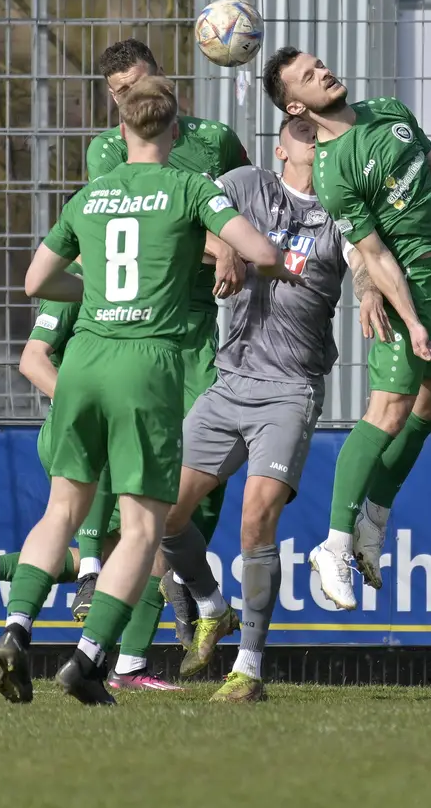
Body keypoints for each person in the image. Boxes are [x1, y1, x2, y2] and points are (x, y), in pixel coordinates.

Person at [0, 76, 296, 705]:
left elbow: (35, 281)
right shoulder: (190, 187)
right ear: (176, 127)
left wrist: (100, 295)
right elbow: (262, 251)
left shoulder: (92, 193)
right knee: (140, 528)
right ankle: (88, 661)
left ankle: (17, 629)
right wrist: (251, 263)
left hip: (84, 361)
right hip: (147, 364)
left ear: (122, 128)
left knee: (61, 510)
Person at [259, 47, 431, 609]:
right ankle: (334, 546)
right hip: (402, 288)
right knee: (387, 409)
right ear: (296, 104)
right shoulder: (333, 169)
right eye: (309, 76)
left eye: (321, 64)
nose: (324, 72)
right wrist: (409, 320)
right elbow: (372, 253)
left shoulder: (389, 110)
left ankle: (373, 520)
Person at [159, 115, 387, 702]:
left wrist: (367, 295)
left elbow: (363, 264)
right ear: (281, 147)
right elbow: (186, 222)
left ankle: (249, 670)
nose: (316, 144)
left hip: (291, 387)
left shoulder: (340, 208)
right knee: (162, 517)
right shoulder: (242, 186)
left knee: (256, 519)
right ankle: (212, 605)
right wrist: (222, 250)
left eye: (323, 138)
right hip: (228, 380)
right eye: (305, 136)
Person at [78, 38, 253, 664]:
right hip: (142, 326)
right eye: (122, 92)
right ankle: (139, 628)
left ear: (166, 80)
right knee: (141, 474)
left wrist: (233, 241)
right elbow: (154, 227)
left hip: (202, 324)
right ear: (111, 98)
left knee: (202, 470)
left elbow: (245, 203)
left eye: (143, 84)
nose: (135, 98)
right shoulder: (108, 149)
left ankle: (185, 591)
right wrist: (223, 246)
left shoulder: (217, 140)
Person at [0, 262, 179, 691]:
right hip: (84, 431)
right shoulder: (80, 275)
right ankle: (125, 663)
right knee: (144, 540)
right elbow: (32, 360)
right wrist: (85, 407)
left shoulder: (129, 276)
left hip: (96, 424)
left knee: (120, 549)